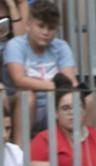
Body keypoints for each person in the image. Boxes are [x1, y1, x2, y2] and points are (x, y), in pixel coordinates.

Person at [3, 1, 78, 135]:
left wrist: (60, 88)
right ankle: (22, 150)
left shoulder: (61, 46)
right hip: (23, 105)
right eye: (41, 26)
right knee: (28, 96)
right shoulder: (16, 45)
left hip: (55, 104)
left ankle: (84, 147)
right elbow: (19, 80)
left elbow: (69, 80)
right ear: (28, 25)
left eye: (51, 28)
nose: (45, 32)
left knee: (86, 99)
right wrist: (54, 86)